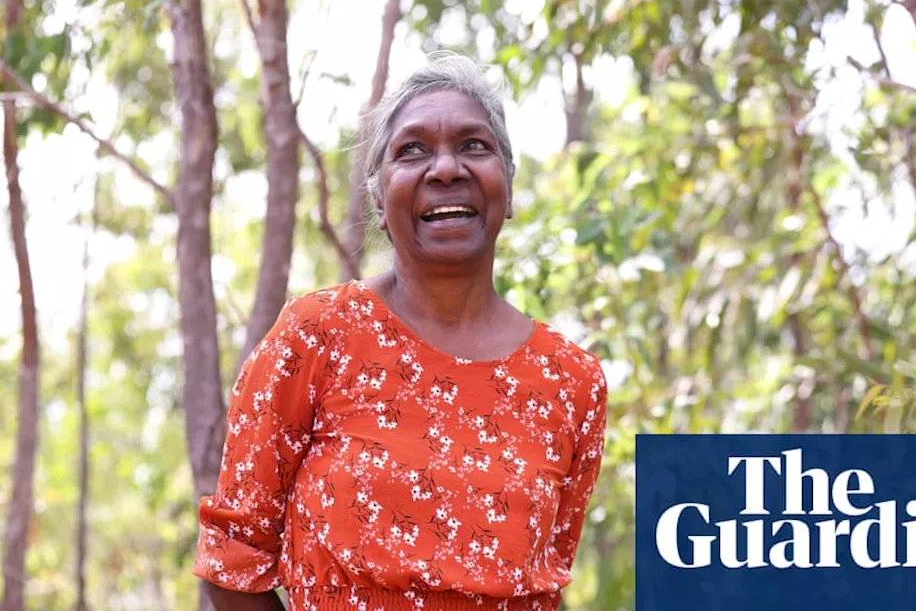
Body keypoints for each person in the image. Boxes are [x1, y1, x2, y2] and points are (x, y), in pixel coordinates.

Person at [193, 53, 609, 610]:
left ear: (507, 189)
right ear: (379, 200)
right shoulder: (316, 337)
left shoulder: (570, 380)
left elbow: (546, 586)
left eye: (473, 146)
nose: (445, 169)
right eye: (412, 150)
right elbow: (233, 562)